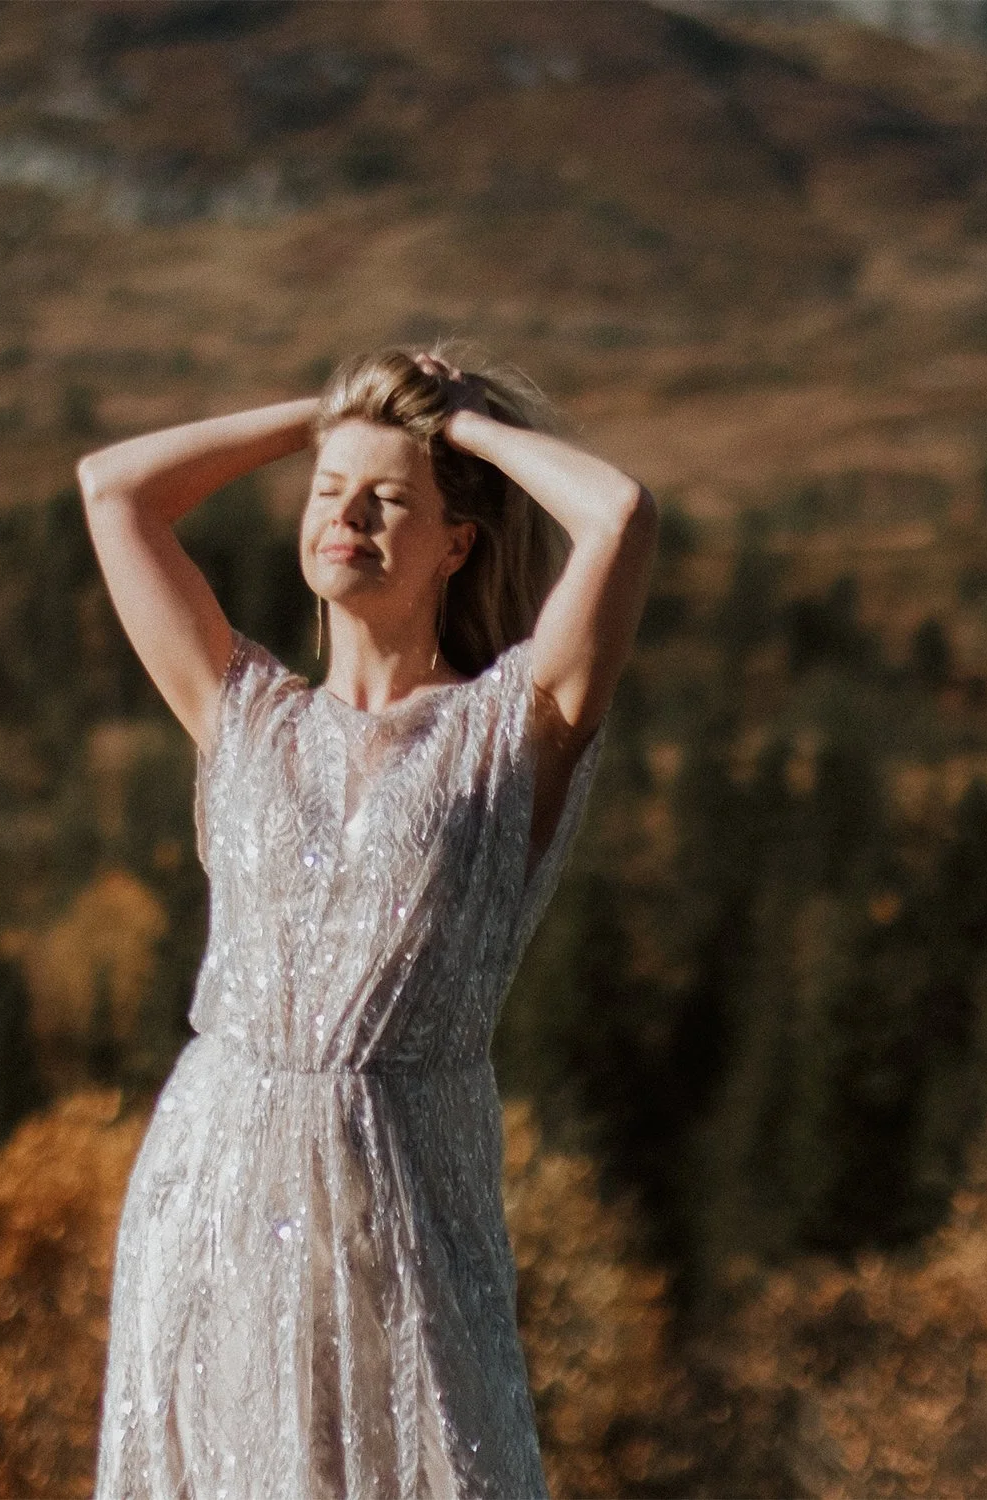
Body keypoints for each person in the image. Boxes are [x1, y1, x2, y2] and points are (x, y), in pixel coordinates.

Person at [78, 345, 657, 1499]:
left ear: (458, 543)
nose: (347, 516)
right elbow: (114, 489)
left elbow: (622, 515)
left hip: (403, 1196)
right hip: (213, 1188)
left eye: (389, 501)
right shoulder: (242, 712)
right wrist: (327, 420)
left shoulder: (513, 728)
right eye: (328, 495)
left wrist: (464, 431)